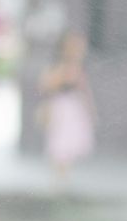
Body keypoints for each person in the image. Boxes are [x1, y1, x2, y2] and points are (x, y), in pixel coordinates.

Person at [38, 30, 95, 186]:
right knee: (61, 143)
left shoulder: (75, 66)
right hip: (61, 107)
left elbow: (84, 89)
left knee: (70, 143)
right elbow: (47, 86)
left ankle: (64, 177)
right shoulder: (60, 66)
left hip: (72, 107)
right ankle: (60, 177)